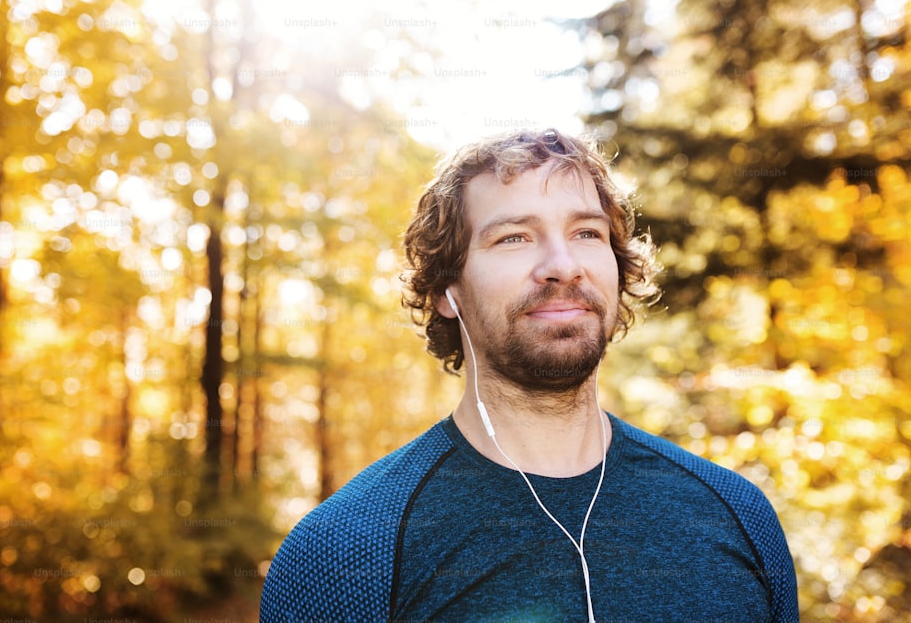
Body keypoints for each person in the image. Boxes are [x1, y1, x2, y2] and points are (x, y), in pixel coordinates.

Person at [260, 128, 799, 622]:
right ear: (446, 291)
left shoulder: (737, 516)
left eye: (587, 232)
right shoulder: (345, 552)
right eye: (514, 237)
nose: (563, 265)